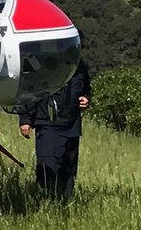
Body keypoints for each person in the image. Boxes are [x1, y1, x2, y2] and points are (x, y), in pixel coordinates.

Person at [17, 57, 94, 198]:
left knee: (69, 168)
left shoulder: (78, 64)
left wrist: (86, 98)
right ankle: (46, 200)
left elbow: (85, 87)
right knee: (48, 166)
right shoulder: (41, 61)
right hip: (47, 123)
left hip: (72, 124)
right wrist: (26, 119)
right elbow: (30, 90)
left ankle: (65, 202)